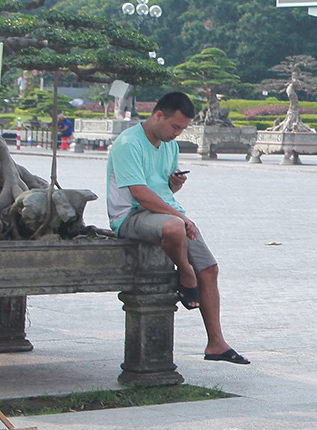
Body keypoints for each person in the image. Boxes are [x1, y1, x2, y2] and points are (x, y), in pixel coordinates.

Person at [106, 91, 248, 364]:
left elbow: (161, 188)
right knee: (174, 227)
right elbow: (138, 192)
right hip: (131, 215)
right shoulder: (128, 144)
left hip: (166, 213)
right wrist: (181, 218)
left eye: (182, 129)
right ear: (158, 115)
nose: (177, 133)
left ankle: (216, 343)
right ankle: (185, 275)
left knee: (210, 268)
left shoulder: (169, 145)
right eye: (175, 126)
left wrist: (175, 185)